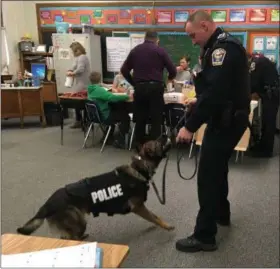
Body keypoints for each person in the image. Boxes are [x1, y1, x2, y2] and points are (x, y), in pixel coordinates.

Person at [176, 11, 250, 252]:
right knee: (218, 168)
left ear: (205, 25)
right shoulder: (219, 46)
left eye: (192, 35)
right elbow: (218, 89)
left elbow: (217, 94)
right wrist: (198, 101)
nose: (192, 40)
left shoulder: (222, 50)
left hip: (226, 121)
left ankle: (204, 235)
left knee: (208, 174)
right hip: (228, 118)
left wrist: (189, 126)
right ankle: (221, 213)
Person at [121, 30, 177, 149]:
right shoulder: (160, 51)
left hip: (140, 88)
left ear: (145, 38)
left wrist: (134, 83)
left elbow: (124, 70)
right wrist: (169, 79)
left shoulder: (135, 50)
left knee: (140, 118)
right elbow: (173, 70)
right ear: (157, 40)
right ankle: (154, 148)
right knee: (156, 118)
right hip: (155, 88)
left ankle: (139, 146)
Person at [87, 72, 132, 148]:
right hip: (104, 116)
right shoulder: (99, 90)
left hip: (97, 117)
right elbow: (112, 97)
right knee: (125, 117)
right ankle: (120, 141)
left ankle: (108, 137)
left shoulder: (90, 89)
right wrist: (127, 97)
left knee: (117, 111)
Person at [248, 54, 279, 158]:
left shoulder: (255, 62)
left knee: (268, 123)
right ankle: (263, 146)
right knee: (267, 122)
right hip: (271, 93)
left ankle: (266, 151)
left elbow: (252, 81)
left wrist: (248, 92)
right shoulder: (259, 59)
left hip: (270, 94)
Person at [67, 42, 91, 128]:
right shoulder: (78, 58)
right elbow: (75, 66)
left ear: (78, 50)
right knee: (78, 102)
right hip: (80, 82)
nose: (73, 53)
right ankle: (80, 120)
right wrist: (70, 70)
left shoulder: (82, 57)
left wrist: (72, 73)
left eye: (74, 51)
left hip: (83, 83)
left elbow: (80, 69)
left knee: (80, 102)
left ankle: (82, 120)